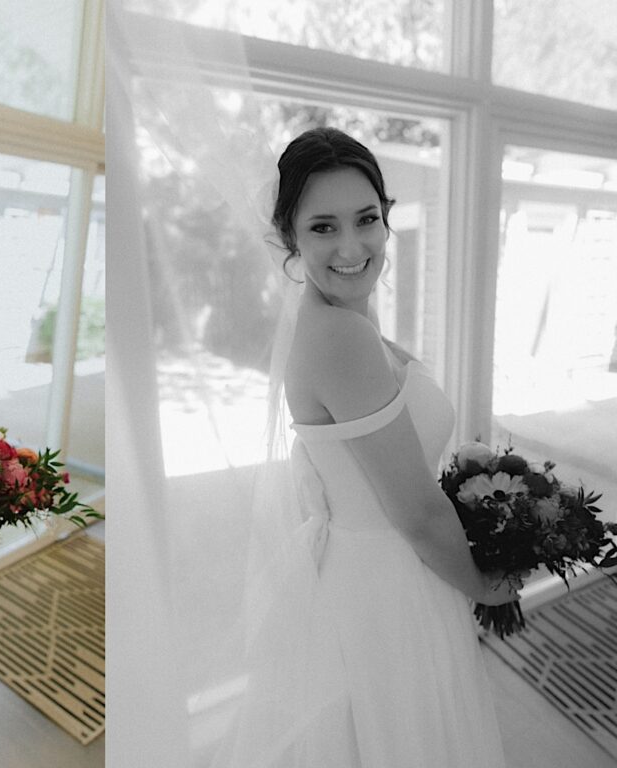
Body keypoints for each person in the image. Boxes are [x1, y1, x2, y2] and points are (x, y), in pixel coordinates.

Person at [215, 126, 517, 767]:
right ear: (289, 237)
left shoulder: (342, 317)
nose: (352, 246)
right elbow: (414, 512)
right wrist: (486, 586)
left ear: (387, 221)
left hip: (382, 574)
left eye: (366, 219)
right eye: (323, 227)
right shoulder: (338, 336)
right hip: (391, 583)